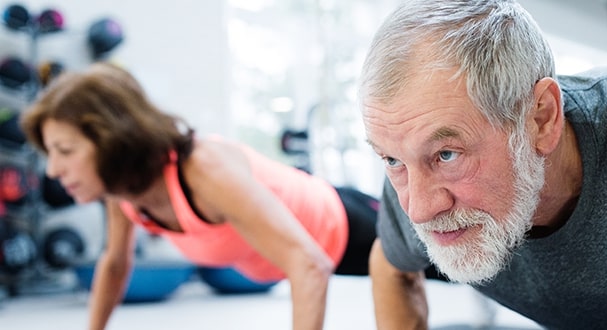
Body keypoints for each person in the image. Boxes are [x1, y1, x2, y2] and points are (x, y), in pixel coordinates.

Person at [358, 0, 607, 329]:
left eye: (447, 154)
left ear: (541, 119)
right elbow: (391, 264)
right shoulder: (413, 174)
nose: (418, 210)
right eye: (391, 159)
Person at [20, 62, 381, 330]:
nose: (52, 170)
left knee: (433, 272)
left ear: (110, 141)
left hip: (348, 225)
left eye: (65, 151)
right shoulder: (123, 191)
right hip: (307, 255)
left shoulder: (202, 170)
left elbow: (309, 263)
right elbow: (115, 265)